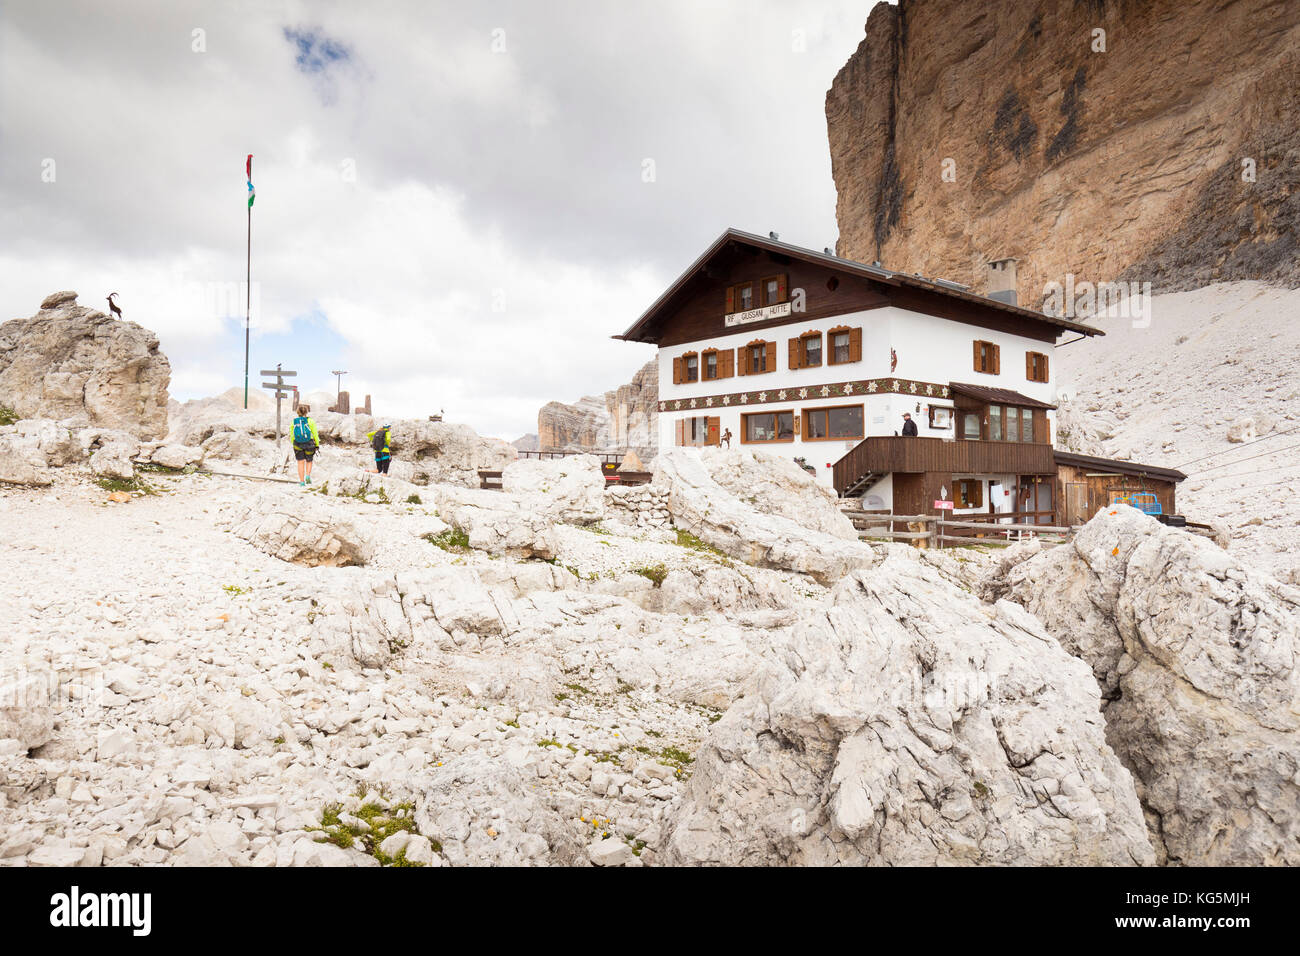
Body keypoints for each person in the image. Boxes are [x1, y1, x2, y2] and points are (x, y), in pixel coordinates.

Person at [291, 404, 320, 485]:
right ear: (307, 412)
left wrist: (293, 443)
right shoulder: (311, 421)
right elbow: (315, 434)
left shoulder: (294, 421)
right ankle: (307, 476)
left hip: (297, 443)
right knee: (309, 460)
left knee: (300, 462)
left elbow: (292, 434)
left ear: (297, 412)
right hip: (309, 443)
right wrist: (317, 444)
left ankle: (302, 482)